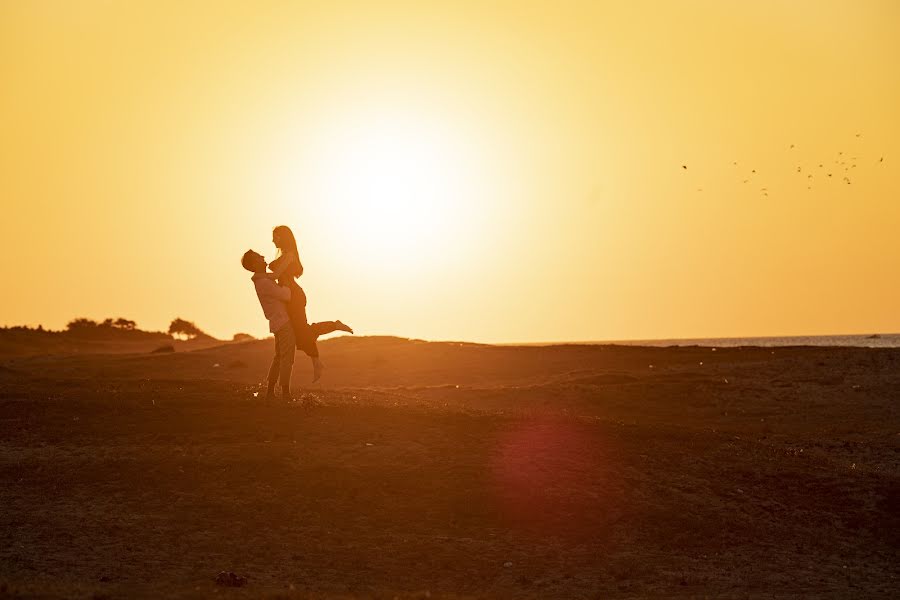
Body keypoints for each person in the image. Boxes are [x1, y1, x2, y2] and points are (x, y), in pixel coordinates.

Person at [267, 225, 352, 382]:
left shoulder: (290, 255)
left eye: (275, 236)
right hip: (290, 296)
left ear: (283, 237)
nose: (272, 240)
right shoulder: (286, 254)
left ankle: (334, 326)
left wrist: (259, 276)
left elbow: (276, 274)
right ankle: (317, 362)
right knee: (300, 333)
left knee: (302, 331)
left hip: (294, 296)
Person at [241, 249, 294, 402]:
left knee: (279, 358)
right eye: (258, 257)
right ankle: (285, 393)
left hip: (278, 322)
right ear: (253, 264)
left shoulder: (263, 280)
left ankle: (271, 392)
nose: (263, 257)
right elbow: (286, 295)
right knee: (286, 359)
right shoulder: (264, 282)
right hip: (283, 322)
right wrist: (287, 283)